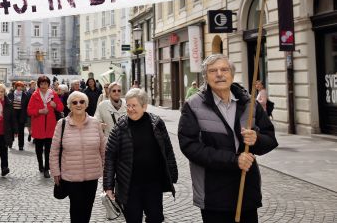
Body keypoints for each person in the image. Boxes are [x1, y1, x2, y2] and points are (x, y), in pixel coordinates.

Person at [178, 54, 278, 223]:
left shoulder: (249, 103)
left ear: (232, 74)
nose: (219, 74)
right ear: (205, 76)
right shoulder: (193, 106)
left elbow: (270, 139)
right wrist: (233, 160)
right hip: (213, 194)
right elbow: (190, 146)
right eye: (213, 71)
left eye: (224, 69)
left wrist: (257, 139)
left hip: (246, 191)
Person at [104, 88, 178, 223]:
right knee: (133, 219)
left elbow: (167, 149)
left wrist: (172, 175)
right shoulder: (119, 127)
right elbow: (110, 157)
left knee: (156, 218)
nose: (130, 109)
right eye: (128, 105)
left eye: (134, 105)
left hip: (153, 184)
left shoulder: (156, 123)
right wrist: (108, 186)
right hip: (129, 185)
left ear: (144, 106)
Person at [50, 91, 105, 223]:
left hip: (92, 176)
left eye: (82, 102)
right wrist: (55, 172)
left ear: (86, 104)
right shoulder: (62, 124)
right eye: (75, 102)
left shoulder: (95, 123)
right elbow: (54, 151)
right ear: (70, 105)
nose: (78, 104)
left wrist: (107, 172)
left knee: (87, 209)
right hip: (71, 176)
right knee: (76, 209)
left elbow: (103, 149)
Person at [27, 75, 64, 178]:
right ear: (39, 84)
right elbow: (29, 111)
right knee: (39, 149)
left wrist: (54, 105)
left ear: (48, 84)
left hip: (50, 126)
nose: (44, 86)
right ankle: (40, 165)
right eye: (42, 84)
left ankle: (47, 168)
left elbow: (61, 108)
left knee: (48, 149)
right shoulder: (34, 95)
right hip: (38, 126)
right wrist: (39, 111)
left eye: (46, 84)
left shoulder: (53, 94)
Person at [7, 81, 27, 150]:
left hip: (21, 114)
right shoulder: (10, 94)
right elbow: (7, 105)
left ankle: (21, 145)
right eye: (18, 86)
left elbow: (26, 106)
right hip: (12, 113)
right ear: (16, 87)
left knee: (21, 130)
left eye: (21, 86)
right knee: (11, 129)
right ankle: (10, 142)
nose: (19, 88)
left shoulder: (24, 95)